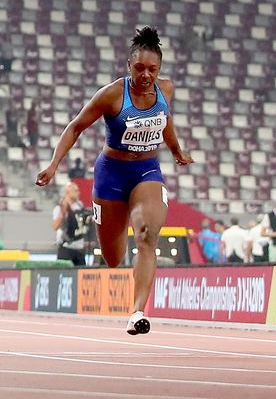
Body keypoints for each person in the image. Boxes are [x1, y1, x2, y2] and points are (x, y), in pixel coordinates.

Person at [36, 26, 193, 335]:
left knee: (147, 233)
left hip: (147, 170)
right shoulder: (112, 94)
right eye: (140, 68)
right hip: (111, 175)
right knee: (113, 257)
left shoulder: (166, 89)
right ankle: (119, 252)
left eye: (152, 69)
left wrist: (177, 151)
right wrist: (54, 164)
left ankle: (137, 312)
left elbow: (165, 122)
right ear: (128, 66)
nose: (146, 75)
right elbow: (76, 126)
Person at [51, 182, 86, 265]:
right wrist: (63, 213)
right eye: (76, 191)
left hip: (79, 247)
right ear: (68, 192)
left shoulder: (79, 205)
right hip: (66, 247)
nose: (79, 193)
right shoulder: (59, 207)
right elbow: (55, 226)